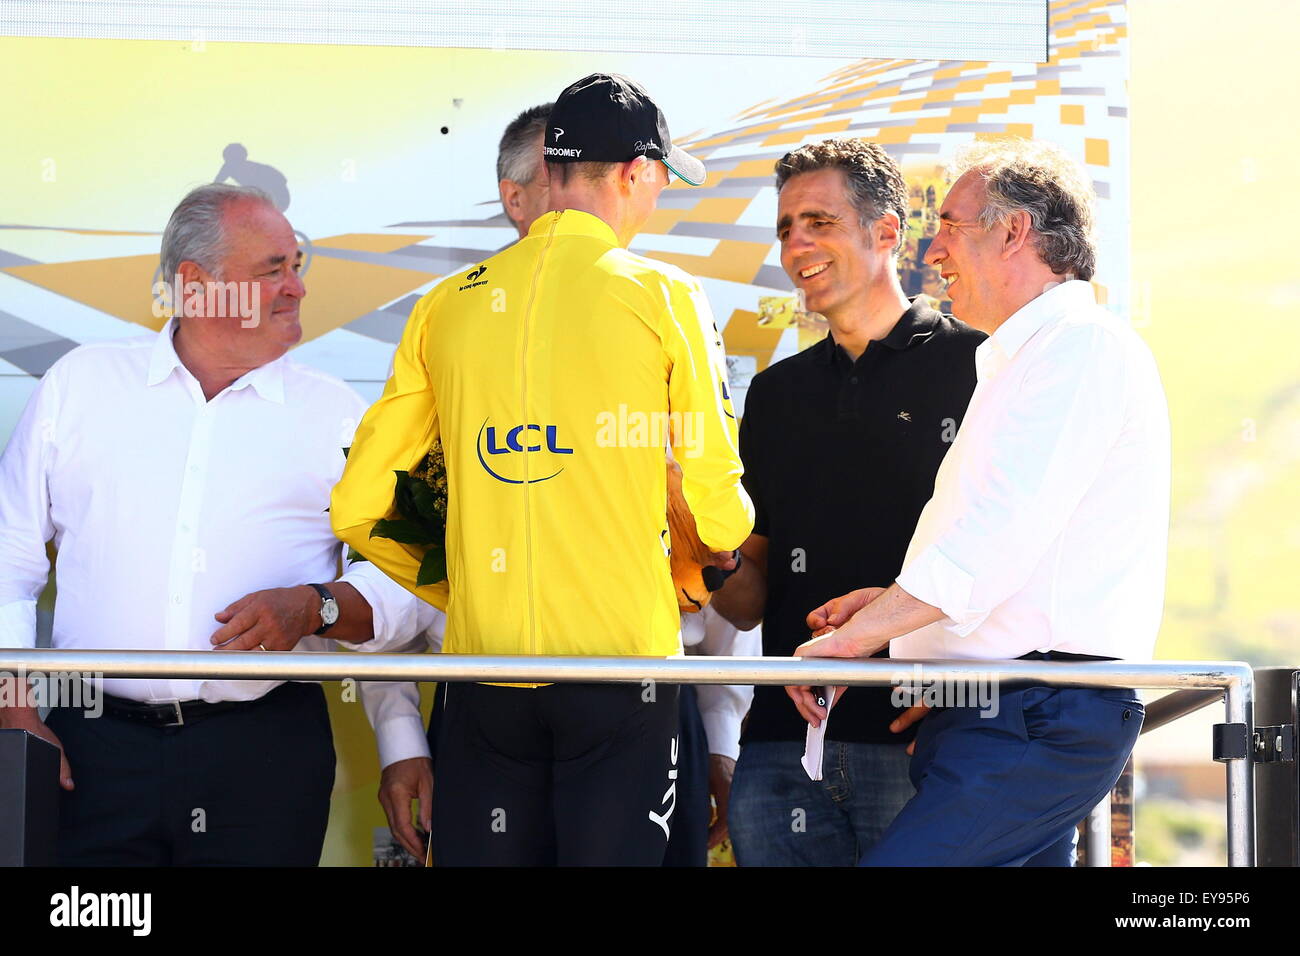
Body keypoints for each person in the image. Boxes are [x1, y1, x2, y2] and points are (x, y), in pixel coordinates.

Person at [332, 73, 753, 866]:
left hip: (485, 674)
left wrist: (457, 588)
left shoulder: (446, 302)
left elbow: (359, 505)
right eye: (662, 179)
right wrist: (707, 546)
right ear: (636, 173)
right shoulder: (664, 292)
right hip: (622, 671)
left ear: (551, 173)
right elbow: (722, 508)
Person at [0, 183, 435, 866]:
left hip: (264, 757)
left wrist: (395, 734)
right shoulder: (79, 387)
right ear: (197, 285)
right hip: (91, 753)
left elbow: (399, 580)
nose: (297, 288)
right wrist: (16, 713)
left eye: (298, 266)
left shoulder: (338, 416)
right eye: (273, 270)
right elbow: (10, 560)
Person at [789, 138, 1170, 866]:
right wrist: (886, 610)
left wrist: (856, 636)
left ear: (1014, 231)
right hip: (1007, 711)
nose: (933, 252)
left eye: (951, 227)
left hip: (1035, 711)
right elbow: (1020, 547)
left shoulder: (1079, 346)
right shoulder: (1037, 355)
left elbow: (997, 536)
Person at [708, 138, 984, 866]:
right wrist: (701, 535)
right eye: (785, 227)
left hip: (924, 746)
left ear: (887, 230)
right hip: (776, 752)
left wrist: (960, 685)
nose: (797, 244)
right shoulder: (774, 394)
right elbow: (744, 606)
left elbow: (1010, 553)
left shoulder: (981, 367)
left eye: (819, 222)